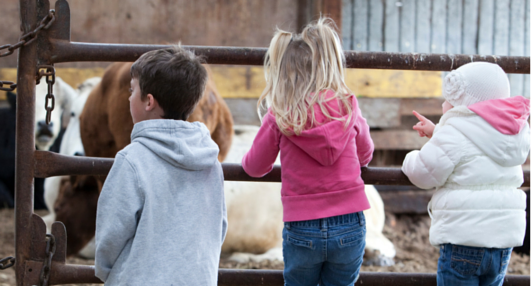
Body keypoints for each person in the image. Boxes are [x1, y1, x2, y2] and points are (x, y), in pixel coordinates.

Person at [242, 18, 374, 286]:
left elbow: (255, 167)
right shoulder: (348, 106)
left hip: (302, 226)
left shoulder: (279, 115)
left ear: (281, 71)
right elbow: (366, 154)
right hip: (349, 224)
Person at [94, 46, 227, 286]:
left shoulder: (132, 160)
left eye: (132, 91)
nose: (128, 97)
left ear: (149, 102)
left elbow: (110, 234)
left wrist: (110, 273)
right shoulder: (210, 161)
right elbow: (219, 226)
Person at [402, 62, 530, 286]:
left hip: (464, 240)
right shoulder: (512, 133)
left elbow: (423, 172)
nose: (444, 104)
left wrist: (410, 159)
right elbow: (477, 142)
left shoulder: (454, 132)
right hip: (502, 243)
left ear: (462, 105)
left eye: (448, 100)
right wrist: (438, 132)